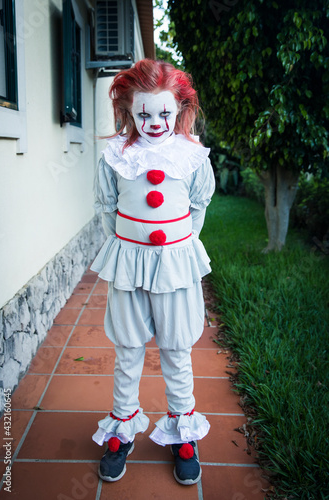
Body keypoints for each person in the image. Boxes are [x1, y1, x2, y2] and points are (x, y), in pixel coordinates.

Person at [91, 59, 215, 486]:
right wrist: (131, 247)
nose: (155, 122)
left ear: (179, 109)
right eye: (143, 113)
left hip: (175, 265)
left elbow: (198, 207)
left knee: (176, 350)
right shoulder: (115, 157)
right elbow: (108, 209)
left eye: (164, 112)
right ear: (128, 110)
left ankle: (183, 432)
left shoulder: (192, 157)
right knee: (128, 350)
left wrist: (179, 249)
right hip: (129, 263)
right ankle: (122, 428)